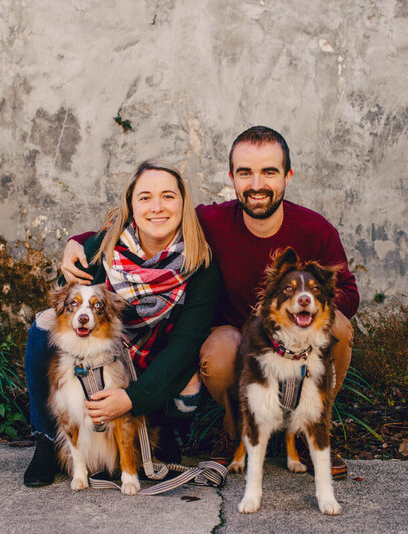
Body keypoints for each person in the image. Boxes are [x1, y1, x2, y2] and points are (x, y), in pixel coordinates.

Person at [62, 126, 359, 479]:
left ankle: (312, 428)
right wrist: (78, 242)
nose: (257, 184)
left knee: (338, 324)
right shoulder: (210, 221)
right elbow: (149, 220)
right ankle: (232, 430)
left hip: (295, 334)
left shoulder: (315, 230)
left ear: (287, 176)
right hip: (233, 334)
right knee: (220, 350)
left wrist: (293, 312)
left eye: (269, 172)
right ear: (232, 177)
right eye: (246, 173)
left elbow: (350, 295)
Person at [23, 160, 220, 487]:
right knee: (44, 325)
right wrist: (76, 243)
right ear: (130, 204)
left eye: (168, 196)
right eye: (145, 197)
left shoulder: (201, 265)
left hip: (154, 365)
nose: (157, 207)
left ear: (184, 204)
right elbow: (67, 305)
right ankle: (46, 438)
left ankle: (159, 426)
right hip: (102, 358)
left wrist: (132, 399)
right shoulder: (101, 248)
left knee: (189, 385)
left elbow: (185, 345)